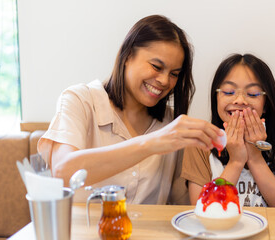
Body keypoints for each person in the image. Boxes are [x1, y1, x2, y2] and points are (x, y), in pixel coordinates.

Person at [38, 15, 223, 204]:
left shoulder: (170, 124)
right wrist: (150, 143)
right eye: (156, 66)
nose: (165, 81)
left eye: (174, 74)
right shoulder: (80, 100)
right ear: (127, 56)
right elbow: (62, 172)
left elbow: (179, 203)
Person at [181, 53, 275, 207]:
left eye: (252, 94)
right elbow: (202, 210)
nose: (240, 100)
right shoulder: (200, 141)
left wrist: (255, 158)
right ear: (216, 98)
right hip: (223, 231)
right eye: (228, 92)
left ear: (266, 104)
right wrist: (236, 161)